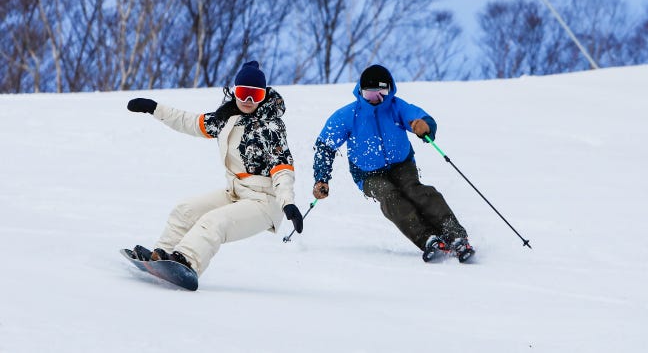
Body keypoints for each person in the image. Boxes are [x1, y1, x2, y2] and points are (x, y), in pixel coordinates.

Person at [125, 60, 304, 277]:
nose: (248, 100)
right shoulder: (226, 119)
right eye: (243, 93)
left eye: (255, 95)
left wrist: (288, 203)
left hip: (264, 201)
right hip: (236, 192)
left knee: (213, 222)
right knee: (186, 210)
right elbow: (189, 121)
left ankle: (187, 262)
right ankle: (162, 255)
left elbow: (282, 168)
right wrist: (154, 108)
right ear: (235, 92)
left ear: (263, 96)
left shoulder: (270, 126)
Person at [312, 64, 474, 261]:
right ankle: (426, 238)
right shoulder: (349, 115)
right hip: (367, 173)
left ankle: (455, 234)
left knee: (416, 191)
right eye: (369, 95)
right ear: (360, 92)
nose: (376, 100)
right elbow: (324, 146)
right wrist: (321, 178)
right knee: (390, 196)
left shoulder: (396, 106)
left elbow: (421, 117)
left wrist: (424, 126)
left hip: (402, 164)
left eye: (381, 93)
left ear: (389, 90)